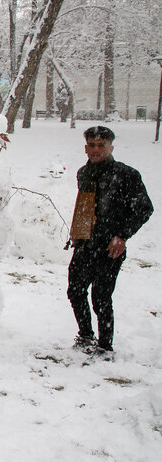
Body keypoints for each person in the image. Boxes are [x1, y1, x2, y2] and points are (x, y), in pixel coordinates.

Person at [67, 126, 152, 356]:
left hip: (110, 247)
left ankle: (105, 346)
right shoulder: (83, 173)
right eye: (91, 145)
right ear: (86, 148)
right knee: (75, 291)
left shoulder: (126, 174)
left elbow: (144, 209)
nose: (96, 150)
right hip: (85, 244)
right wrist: (78, 232)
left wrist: (122, 235)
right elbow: (85, 206)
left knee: (101, 296)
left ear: (110, 147)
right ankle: (85, 334)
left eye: (101, 145)